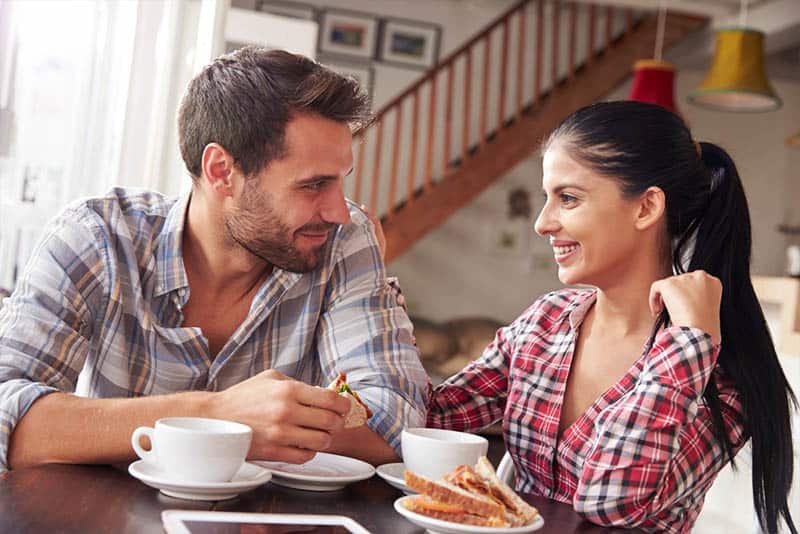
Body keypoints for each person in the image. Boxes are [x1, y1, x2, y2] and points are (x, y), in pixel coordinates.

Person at [0, 47, 428, 473]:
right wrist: (217, 416)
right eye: (314, 184)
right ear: (221, 171)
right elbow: (7, 416)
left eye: (339, 181)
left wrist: (264, 423)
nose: (338, 210)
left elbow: (394, 420)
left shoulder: (342, 241)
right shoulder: (96, 239)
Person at [427, 101, 797, 534]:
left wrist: (689, 342)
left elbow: (609, 501)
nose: (542, 223)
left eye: (568, 198)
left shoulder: (718, 375)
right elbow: (430, 418)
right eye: (549, 198)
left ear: (645, 208)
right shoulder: (545, 323)